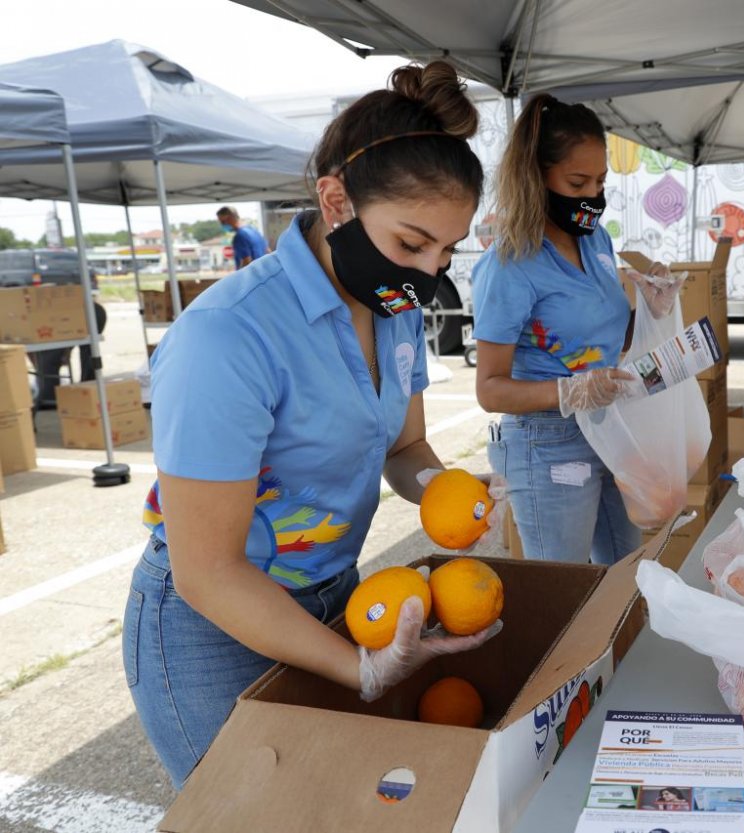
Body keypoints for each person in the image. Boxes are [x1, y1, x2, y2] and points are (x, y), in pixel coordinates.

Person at [124, 62, 503, 790]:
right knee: (255, 809)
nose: (428, 274)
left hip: (336, 592)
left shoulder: (395, 311)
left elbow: (404, 447)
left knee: (332, 798)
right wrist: (357, 667)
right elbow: (210, 570)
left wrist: (449, 490)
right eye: (412, 242)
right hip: (213, 625)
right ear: (335, 199)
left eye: (448, 251)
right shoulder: (229, 337)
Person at [472, 95, 682, 566]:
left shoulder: (597, 241)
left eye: (601, 181)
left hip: (611, 427)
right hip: (548, 442)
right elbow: (489, 389)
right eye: (577, 181)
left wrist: (649, 311)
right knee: (565, 590)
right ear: (536, 176)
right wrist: (569, 392)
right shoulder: (508, 266)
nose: (593, 194)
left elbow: (604, 341)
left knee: (623, 572)